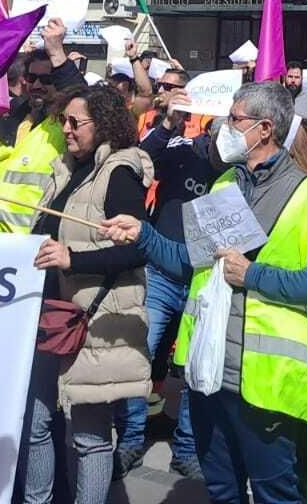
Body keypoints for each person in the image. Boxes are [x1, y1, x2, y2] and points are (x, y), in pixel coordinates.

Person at [103, 81, 307, 504]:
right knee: (221, 488)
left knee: (277, 493)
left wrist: (254, 274)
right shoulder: (223, 186)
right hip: (211, 371)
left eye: (234, 120)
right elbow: (192, 262)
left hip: (268, 384)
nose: (224, 127)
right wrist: (143, 236)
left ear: (264, 129)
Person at [26, 84, 153, 504]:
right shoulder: (64, 168)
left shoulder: (119, 172)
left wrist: (72, 259)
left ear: (103, 125)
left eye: (74, 122)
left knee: (89, 435)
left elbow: (134, 248)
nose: (65, 129)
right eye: (63, 121)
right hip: (51, 318)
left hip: (93, 324)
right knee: (37, 423)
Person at [118, 73, 213, 482]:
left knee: (194, 369)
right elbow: (137, 163)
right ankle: (129, 440)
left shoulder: (241, 174)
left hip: (206, 283)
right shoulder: (184, 149)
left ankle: (187, 449)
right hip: (160, 274)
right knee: (139, 358)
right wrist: (170, 123)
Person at [0, 19, 81, 233]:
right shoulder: (9, 122)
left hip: (33, 245)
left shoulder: (63, 125)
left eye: (46, 79)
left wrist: (57, 53)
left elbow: (82, 97)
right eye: (31, 77)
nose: (36, 85)